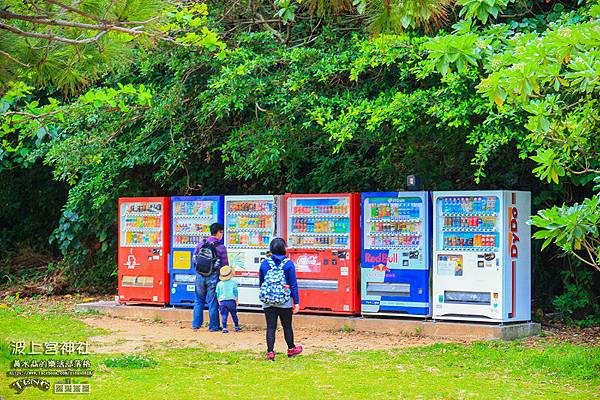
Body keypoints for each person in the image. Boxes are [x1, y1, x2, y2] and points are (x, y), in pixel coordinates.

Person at [258, 238, 303, 361]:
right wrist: (297, 302)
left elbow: (261, 282)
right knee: (287, 326)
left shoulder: (265, 263)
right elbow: (293, 284)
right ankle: (291, 349)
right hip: (285, 301)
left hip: (268, 301)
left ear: (271, 249)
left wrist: (266, 295)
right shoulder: (288, 264)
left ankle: (270, 353)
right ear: (284, 249)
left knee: (271, 327)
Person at [192, 222, 229, 331]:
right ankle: (213, 326)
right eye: (221, 232)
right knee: (212, 302)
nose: (222, 235)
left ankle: (196, 324)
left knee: (198, 301)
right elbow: (225, 266)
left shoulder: (201, 243)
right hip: (213, 276)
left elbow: (194, 259)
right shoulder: (221, 247)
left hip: (199, 276)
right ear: (218, 232)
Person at [216, 265, 241, 333]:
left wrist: (219, 300)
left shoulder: (219, 284)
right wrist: (236, 300)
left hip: (222, 302)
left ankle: (224, 328)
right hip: (231, 301)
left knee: (224, 315)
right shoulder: (233, 282)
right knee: (234, 314)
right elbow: (235, 292)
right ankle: (236, 326)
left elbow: (218, 293)